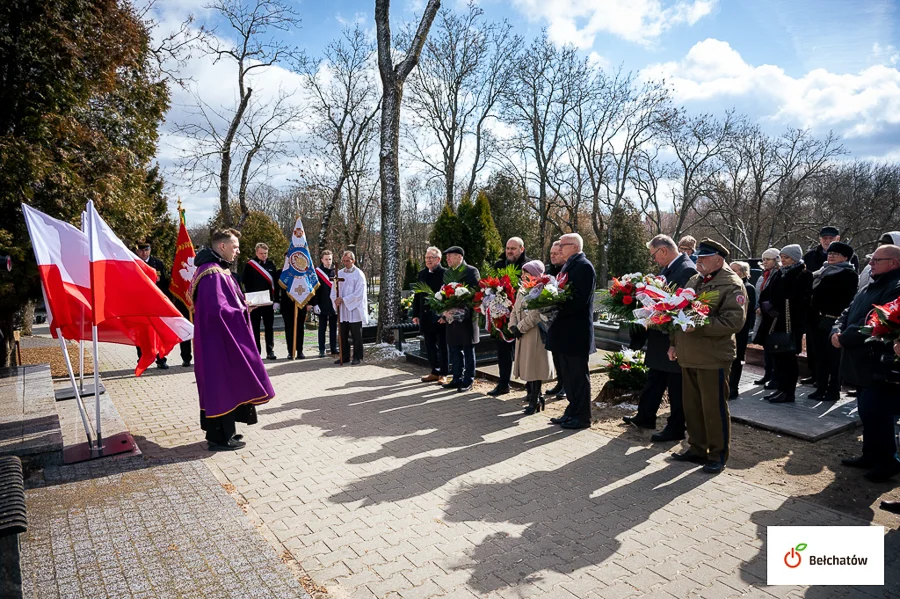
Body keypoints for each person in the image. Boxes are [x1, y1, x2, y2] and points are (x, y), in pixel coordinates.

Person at [190, 229, 274, 451]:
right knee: (221, 384)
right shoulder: (212, 274)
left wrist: (243, 304)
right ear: (222, 246)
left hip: (218, 340)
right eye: (235, 247)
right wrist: (243, 308)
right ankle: (218, 438)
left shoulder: (216, 270)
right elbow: (218, 310)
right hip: (217, 342)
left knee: (226, 383)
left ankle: (227, 433)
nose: (238, 251)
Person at [668, 239, 746, 474]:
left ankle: (718, 453)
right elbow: (678, 310)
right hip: (689, 353)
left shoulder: (731, 284)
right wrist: (673, 343)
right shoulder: (696, 279)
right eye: (698, 258)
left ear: (719, 260)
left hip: (713, 356)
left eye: (703, 258)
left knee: (713, 408)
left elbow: (734, 321)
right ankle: (697, 448)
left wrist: (700, 324)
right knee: (692, 406)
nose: (698, 261)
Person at [832, 244, 900, 483]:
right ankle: (870, 455)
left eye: (876, 260)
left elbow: (877, 321)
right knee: (867, 412)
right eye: (871, 260)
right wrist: (837, 329)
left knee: (878, 413)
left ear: (894, 263)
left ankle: (887, 462)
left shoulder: (895, 287)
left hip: (876, 363)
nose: (870, 264)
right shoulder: (871, 284)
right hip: (859, 361)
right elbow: (848, 311)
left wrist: (844, 337)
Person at [623, 234, 697, 440]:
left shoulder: (686, 269)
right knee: (655, 379)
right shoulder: (670, 267)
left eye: (654, 255)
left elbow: (681, 306)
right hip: (660, 333)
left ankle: (675, 428)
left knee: (675, 386)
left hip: (672, 338)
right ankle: (645, 416)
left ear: (663, 250)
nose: (654, 260)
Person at [546, 233, 596, 430]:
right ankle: (572, 410)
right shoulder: (567, 266)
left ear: (574, 247)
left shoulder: (584, 266)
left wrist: (555, 307)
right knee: (568, 375)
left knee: (578, 376)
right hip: (564, 331)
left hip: (576, 332)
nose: (559, 248)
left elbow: (579, 299)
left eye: (563, 245)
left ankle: (583, 416)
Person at [801, 226, 858, 385]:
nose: (831, 256)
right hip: (815, 317)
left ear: (845, 257)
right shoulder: (822, 270)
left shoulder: (848, 273)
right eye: (830, 253)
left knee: (831, 355)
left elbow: (845, 298)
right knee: (818, 353)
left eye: (835, 254)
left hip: (832, 318)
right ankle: (819, 383)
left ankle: (832, 387)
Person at [757, 244, 812, 404]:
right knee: (778, 357)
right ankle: (780, 388)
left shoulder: (803, 274)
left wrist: (777, 307)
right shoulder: (780, 272)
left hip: (789, 322)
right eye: (782, 257)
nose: (784, 260)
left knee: (788, 358)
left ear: (795, 258)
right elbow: (768, 291)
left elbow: (800, 299)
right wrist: (766, 304)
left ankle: (788, 391)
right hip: (774, 320)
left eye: (787, 257)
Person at [509, 260, 554, 415]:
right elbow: (514, 310)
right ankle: (536, 396)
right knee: (528, 367)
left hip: (534, 333)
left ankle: (535, 399)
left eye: (526, 273)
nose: (523, 276)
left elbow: (536, 315)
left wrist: (520, 327)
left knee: (535, 367)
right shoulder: (522, 289)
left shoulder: (541, 290)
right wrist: (512, 325)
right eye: (523, 273)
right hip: (522, 333)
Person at [487, 237, 529, 396]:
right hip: (502, 317)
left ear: (522, 249)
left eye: (513, 248)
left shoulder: (528, 266)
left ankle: (530, 388)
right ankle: (503, 383)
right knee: (503, 351)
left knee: (525, 353)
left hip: (522, 317)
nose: (509, 251)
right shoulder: (499, 265)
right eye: (508, 248)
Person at [441, 246, 480, 392]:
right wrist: (444, 310)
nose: (447, 259)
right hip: (452, 319)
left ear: (459, 257)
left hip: (467, 319)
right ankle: (456, 378)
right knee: (454, 349)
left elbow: (477, 294)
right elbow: (443, 292)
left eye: (450, 256)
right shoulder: (447, 273)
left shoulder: (471, 271)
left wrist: (462, 306)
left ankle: (468, 380)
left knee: (468, 350)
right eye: (447, 257)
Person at [413, 247, 449, 384]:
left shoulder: (445, 274)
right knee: (429, 345)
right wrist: (416, 314)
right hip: (426, 316)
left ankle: (444, 373)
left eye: (431, 258)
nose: (428, 260)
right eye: (426, 258)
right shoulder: (422, 274)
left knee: (442, 345)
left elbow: (448, 295)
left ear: (438, 259)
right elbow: (417, 295)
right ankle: (434, 371)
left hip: (440, 316)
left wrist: (445, 315)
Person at [135, 242, 171, 369]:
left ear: (150, 249)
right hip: (140, 304)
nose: (144, 252)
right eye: (141, 250)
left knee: (159, 333)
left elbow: (165, 284)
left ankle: (161, 359)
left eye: (146, 249)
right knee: (141, 333)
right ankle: (142, 359)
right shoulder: (133, 263)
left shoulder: (158, 264)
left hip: (156, 304)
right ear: (137, 250)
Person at [242, 242, 279, 360]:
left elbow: (275, 284)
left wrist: (276, 300)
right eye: (261, 253)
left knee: (269, 327)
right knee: (255, 327)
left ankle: (270, 350)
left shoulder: (271, 265)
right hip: (254, 302)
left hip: (268, 301)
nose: (264, 255)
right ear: (256, 253)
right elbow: (245, 283)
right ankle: (256, 352)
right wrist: (248, 300)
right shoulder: (249, 265)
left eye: (265, 253)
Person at [331, 251, 367, 365]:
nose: (346, 263)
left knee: (356, 335)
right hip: (343, 309)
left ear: (353, 261)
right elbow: (334, 289)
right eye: (344, 261)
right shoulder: (339, 273)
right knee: (343, 334)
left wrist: (344, 299)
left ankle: (357, 356)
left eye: (348, 261)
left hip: (354, 308)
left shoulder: (359, 274)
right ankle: (344, 355)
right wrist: (335, 300)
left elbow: (359, 294)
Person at [728, 261, 757, 399]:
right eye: (731, 269)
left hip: (740, 330)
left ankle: (733, 387)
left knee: (737, 358)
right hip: (729, 329)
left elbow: (748, 312)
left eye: (736, 270)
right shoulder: (729, 286)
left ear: (744, 273)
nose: (732, 272)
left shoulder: (748, 287)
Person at [753, 248, 781, 386]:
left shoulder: (778, 275)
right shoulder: (763, 275)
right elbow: (759, 294)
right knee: (766, 346)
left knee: (773, 346)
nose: (764, 262)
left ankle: (775, 376)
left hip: (772, 316)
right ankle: (767, 374)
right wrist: (757, 306)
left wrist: (766, 309)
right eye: (763, 259)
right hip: (762, 314)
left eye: (768, 259)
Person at [543, 240, 567, 400]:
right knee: (556, 354)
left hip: (565, 320)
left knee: (564, 355)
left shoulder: (566, 271)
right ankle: (560, 382)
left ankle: (566, 385)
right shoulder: (547, 270)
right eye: (551, 253)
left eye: (556, 253)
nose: (552, 256)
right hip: (550, 321)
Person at [310, 250, 339, 358]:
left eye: (330, 259)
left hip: (332, 304)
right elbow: (314, 290)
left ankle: (333, 348)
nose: (328, 261)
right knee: (322, 328)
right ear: (322, 259)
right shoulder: (317, 272)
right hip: (321, 303)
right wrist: (315, 304)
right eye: (326, 259)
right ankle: (321, 349)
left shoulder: (335, 271)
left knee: (333, 328)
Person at [279, 253, 308, 360]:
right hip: (287, 305)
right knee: (289, 328)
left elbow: (309, 287)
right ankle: (291, 351)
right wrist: (276, 301)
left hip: (301, 303)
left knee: (300, 328)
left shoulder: (303, 273)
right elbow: (277, 288)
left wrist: (310, 303)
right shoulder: (281, 272)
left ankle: (300, 350)